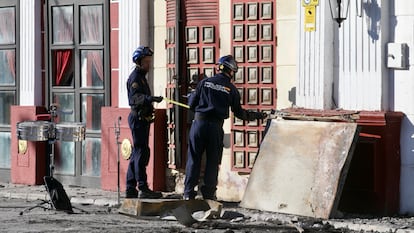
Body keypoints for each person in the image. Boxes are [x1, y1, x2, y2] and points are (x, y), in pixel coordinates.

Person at [183, 55, 267, 200]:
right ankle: (209, 195)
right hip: (215, 127)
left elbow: (191, 105)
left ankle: (188, 193)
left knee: (194, 159)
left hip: (199, 125)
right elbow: (240, 113)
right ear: (232, 71)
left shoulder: (204, 83)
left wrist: (193, 97)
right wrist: (258, 116)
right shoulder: (231, 89)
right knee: (212, 161)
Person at [125, 46, 163, 199]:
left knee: (138, 153)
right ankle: (142, 187)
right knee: (141, 153)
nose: (149, 65)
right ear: (139, 62)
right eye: (146, 62)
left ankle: (130, 187)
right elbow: (134, 99)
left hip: (143, 118)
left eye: (150, 61)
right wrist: (150, 99)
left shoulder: (142, 77)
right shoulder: (135, 78)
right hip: (138, 118)